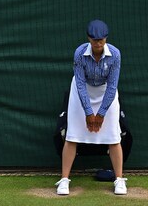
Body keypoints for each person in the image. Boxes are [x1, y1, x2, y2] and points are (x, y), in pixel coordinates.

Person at [55, 20, 127, 195]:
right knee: (72, 134)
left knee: (113, 135)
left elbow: (112, 86)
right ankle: (64, 180)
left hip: (106, 92)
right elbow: (79, 83)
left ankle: (119, 180)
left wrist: (100, 114)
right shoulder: (79, 53)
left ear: (106, 38)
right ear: (89, 38)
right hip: (82, 91)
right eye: (94, 40)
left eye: (101, 40)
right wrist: (88, 112)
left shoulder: (115, 54)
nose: (98, 43)